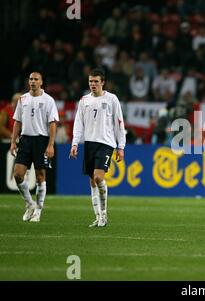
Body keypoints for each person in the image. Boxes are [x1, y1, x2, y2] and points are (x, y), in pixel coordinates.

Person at [70, 68, 126, 227]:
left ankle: (104, 214)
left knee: (98, 177)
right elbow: (78, 123)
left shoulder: (112, 99)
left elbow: (119, 123)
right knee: (92, 182)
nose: (93, 84)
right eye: (90, 81)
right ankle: (98, 216)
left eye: (96, 81)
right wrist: (75, 143)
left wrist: (121, 147)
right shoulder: (84, 100)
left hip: (106, 143)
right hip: (89, 143)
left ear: (102, 82)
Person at [10, 72, 59, 222]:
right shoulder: (22, 99)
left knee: (40, 176)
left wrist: (50, 144)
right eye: (31, 79)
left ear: (41, 82)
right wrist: (13, 141)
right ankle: (29, 203)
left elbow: (52, 123)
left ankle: (38, 210)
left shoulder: (48, 100)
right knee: (18, 174)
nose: (33, 81)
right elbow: (17, 121)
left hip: (41, 140)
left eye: (36, 79)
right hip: (25, 140)